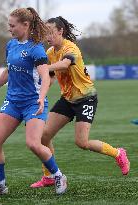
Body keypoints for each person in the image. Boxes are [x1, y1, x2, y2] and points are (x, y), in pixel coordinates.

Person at [30, 16, 130, 188]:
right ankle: (49, 176)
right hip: (67, 99)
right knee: (43, 136)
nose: (47, 37)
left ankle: (118, 153)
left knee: (81, 142)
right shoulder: (50, 53)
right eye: (45, 33)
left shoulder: (71, 48)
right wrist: (40, 94)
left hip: (86, 98)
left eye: (50, 32)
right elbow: (51, 77)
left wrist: (44, 67)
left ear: (60, 31)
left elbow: (64, 64)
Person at [0, 8, 67, 196]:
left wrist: (41, 98)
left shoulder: (36, 49)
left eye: (12, 25)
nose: (9, 28)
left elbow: (45, 77)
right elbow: (8, 71)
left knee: (34, 144)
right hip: (12, 102)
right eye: (9, 25)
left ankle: (58, 175)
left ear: (25, 25)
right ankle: (0, 186)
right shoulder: (10, 45)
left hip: (33, 103)